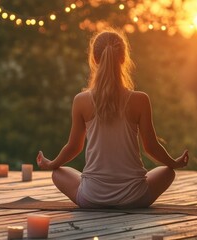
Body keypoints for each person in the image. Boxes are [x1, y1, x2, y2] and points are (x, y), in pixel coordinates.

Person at [36, 30, 189, 209]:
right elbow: (151, 147)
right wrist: (174, 163)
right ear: (123, 59)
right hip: (135, 198)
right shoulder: (140, 99)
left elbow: (74, 147)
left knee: (58, 173)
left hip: (92, 198)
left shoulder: (81, 100)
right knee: (167, 172)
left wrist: (51, 164)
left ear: (94, 59)